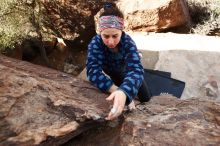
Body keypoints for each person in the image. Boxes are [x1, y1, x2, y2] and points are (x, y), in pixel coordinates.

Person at [86, 2, 151, 120]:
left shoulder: (128, 42)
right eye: (105, 36)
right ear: (100, 32)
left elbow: (136, 70)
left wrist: (125, 92)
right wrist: (117, 90)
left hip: (127, 68)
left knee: (146, 97)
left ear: (122, 31)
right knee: (119, 85)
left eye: (115, 36)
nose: (110, 42)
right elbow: (92, 71)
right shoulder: (95, 43)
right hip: (113, 73)